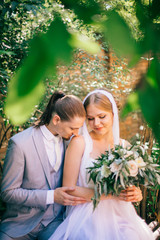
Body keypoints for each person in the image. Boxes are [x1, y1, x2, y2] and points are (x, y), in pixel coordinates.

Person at [49, 89, 154, 240]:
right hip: (87, 213)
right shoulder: (80, 143)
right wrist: (111, 195)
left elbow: (127, 185)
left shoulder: (124, 146)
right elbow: (69, 189)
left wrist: (135, 192)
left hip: (121, 213)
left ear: (113, 113)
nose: (96, 123)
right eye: (90, 118)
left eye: (101, 116)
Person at [0, 91, 86, 240]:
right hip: (19, 227)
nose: (76, 133)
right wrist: (52, 196)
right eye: (73, 128)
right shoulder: (20, 144)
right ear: (56, 119)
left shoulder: (71, 144)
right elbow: (8, 192)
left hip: (55, 223)